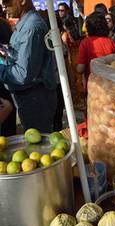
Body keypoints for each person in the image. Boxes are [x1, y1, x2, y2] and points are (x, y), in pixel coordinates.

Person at [0, 0, 57, 133]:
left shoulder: (31, 27)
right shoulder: (25, 23)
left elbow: (22, 75)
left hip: (35, 98)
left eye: (7, 1)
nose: (4, 5)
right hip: (30, 97)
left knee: (37, 145)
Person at [77, 12, 115, 92]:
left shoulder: (85, 43)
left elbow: (80, 69)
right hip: (111, 85)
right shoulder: (111, 42)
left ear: (88, 27)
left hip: (93, 86)